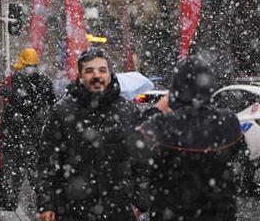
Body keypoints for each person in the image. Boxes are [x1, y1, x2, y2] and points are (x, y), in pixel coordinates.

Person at [36, 48, 144, 221]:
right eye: (89, 71)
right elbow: (48, 163)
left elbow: (142, 162)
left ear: (110, 74)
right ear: (80, 76)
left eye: (102, 70)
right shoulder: (61, 112)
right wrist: (47, 204)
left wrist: (139, 201)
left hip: (119, 210)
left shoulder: (128, 112)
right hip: (73, 210)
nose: (97, 75)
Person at [135, 55, 243, 220]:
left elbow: (135, 142)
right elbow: (236, 150)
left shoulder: (161, 125)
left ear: (176, 88)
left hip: (171, 213)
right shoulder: (228, 121)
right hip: (219, 213)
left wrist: (158, 108)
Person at [0, 47, 55, 210]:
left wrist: (6, 92)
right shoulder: (44, 78)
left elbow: (18, 99)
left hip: (17, 132)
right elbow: (52, 100)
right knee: (34, 170)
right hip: (35, 131)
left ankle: (11, 202)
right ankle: (43, 202)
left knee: (15, 170)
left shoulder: (17, 77)